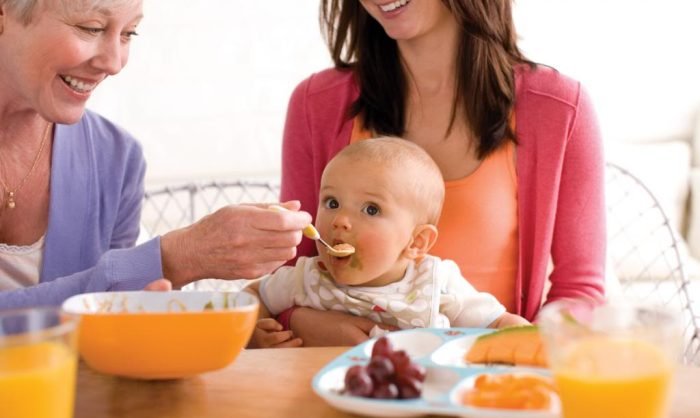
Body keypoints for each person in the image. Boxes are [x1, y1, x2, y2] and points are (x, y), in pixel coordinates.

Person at [279, 0, 605, 345]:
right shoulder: (316, 103)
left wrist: (524, 350)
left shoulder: (559, 107)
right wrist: (298, 320)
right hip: (345, 380)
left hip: (490, 384)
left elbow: (580, 290)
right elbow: (289, 270)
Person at [0, 0, 311, 310]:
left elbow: (108, 327)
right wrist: (172, 259)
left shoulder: (117, 160)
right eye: (91, 28)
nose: (114, 63)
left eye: (128, 34)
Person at [248, 138, 529, 348]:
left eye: (371, 209)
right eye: (332, 203)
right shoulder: (305, 278)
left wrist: (532, 343)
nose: (340, 220)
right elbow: (252, 297)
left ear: (417, 242)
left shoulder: (436, 283)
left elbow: (500, 323)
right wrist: (254, 335)